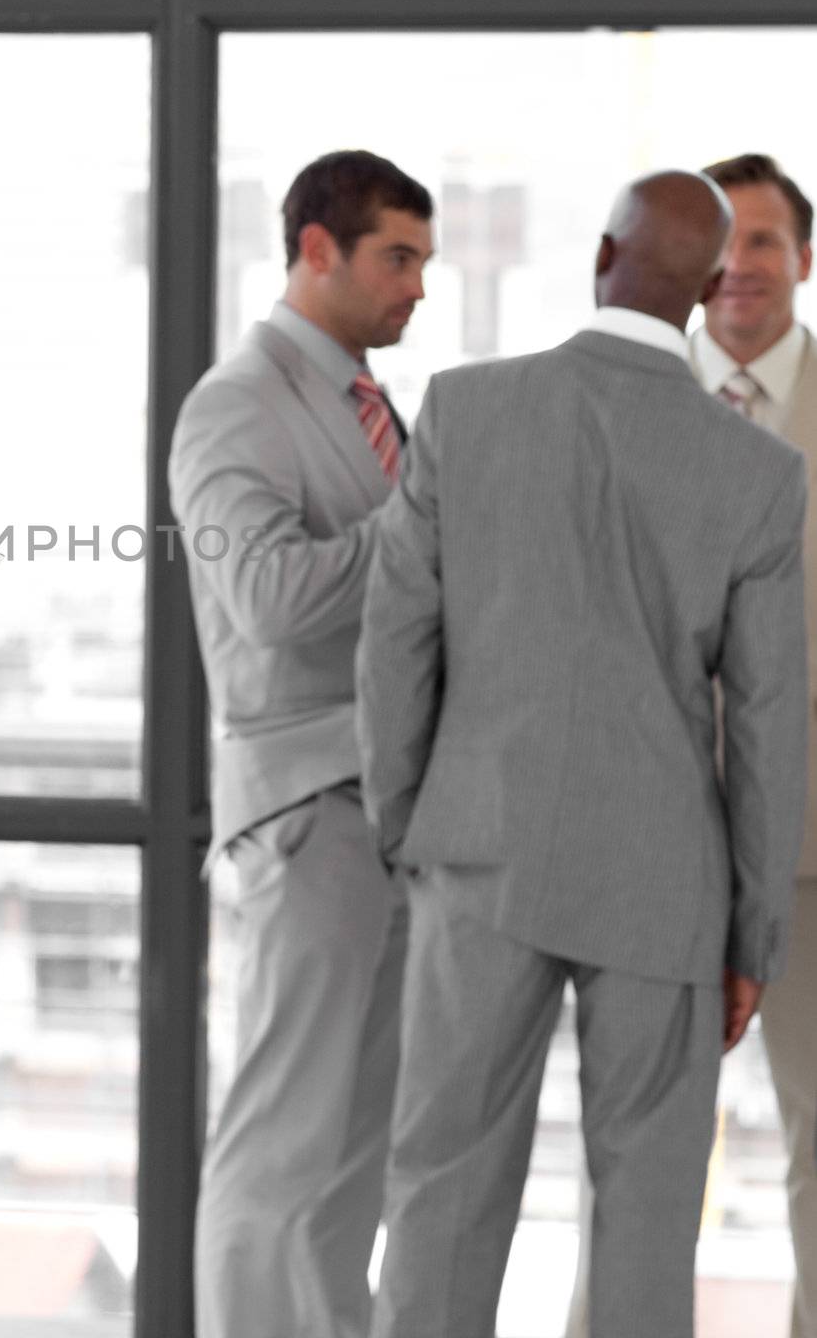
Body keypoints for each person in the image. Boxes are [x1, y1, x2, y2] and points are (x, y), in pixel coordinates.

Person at [359, 170, 809, 1338]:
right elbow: (766, 724)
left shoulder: (463, 408)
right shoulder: (760, 475)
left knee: (442, 1197)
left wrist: (408, 822)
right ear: (708, 288)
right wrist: (750, 932)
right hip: (667, 889)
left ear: (599, 256)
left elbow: (394, 644)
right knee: (646, 1222)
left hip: (479, 853)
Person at [168, 149, 434, 1338]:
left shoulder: (370, 408)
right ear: (315, 249)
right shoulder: (237, 400)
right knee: (279, 1144)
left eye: (422, 261)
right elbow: (264, 598)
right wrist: (430, 520)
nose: (416, 285)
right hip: (305, 809)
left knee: (349, 1163)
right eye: (397, 256)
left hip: (390, 810)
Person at [566, 153, 817, 1338]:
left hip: (811, 851)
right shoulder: (619, 407)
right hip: (643, 846)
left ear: (803, 260)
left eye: (765, 242)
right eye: (723, 248)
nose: (739, 270)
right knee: (627, 1158)